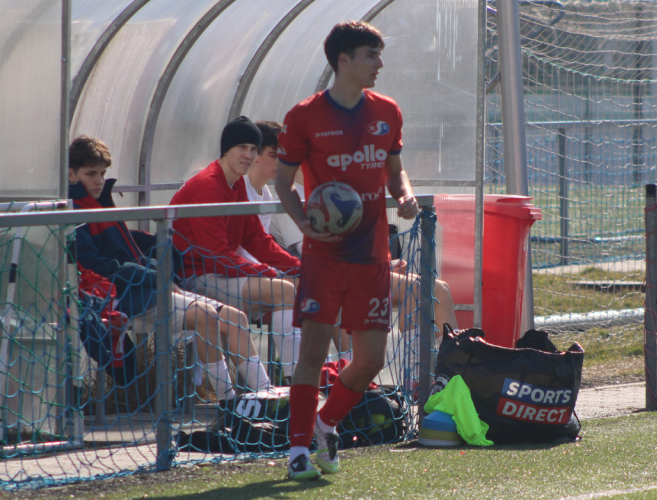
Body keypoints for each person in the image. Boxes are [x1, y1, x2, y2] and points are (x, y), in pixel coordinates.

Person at [274, 21, 419, 480]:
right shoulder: (305, 116)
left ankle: (326, 423)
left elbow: (395, 170)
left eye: (379, 54)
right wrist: (304, 222)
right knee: (313, 352)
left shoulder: (388, 111)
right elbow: (283, 182)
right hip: (325, 256)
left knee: (372, 358)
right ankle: (298, 450)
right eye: (371, 55)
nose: (380, 64)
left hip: (372, 254)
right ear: (344, 61)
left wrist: (404, 195)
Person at [68, 136, 267, 414]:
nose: (99, 180)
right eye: (91, 174)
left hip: (147, 288)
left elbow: (129, 251)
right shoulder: (74, 212)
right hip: (121, 297)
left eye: (102, 173)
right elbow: (94, 265)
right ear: (71, 175)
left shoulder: (99, 205)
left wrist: (158, 272)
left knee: (237, 318)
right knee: (205, 316)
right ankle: (229, 403)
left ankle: (266, 396)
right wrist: (156, 276)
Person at [240, 120, 458, 372]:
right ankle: (423, 377)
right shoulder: (288, 195)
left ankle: (438, 375)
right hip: (333, 276)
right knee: (424, 290)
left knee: (435, 289)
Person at [168, 117, 302, 383]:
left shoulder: (237, 183)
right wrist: (269, 272)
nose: (248, 155)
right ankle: (289, 383)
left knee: (303, 284)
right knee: (285, 289)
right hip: (195, 278)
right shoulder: (207, 185)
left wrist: (300, 268)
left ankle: (311, 377)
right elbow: (217, 257)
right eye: (241, 147)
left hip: (221, 273)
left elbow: (257, 239)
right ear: (225, 150)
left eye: (253, 149)